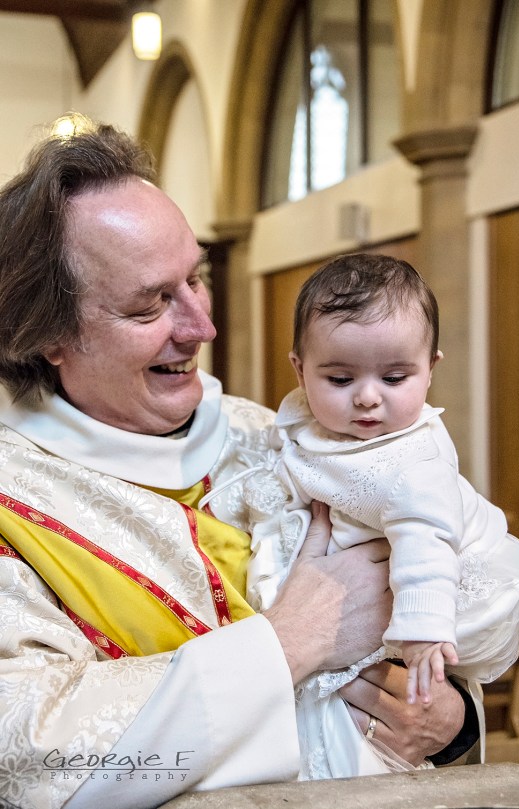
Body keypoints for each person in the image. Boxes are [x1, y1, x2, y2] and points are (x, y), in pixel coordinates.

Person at [0, 118, 473, 809]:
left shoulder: (285, 435)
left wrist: (451, 717)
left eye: (194, 279)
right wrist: (288, 643)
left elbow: (450, 575)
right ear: (49, 335)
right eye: (151, 304)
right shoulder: (15, 503)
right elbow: (25, 754)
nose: (202, 326)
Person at [225, 253, 519, 779]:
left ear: (431, 369)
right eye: (339, 378)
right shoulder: (304, 424)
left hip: (430, 591)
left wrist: (421, 626)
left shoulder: (415, 463)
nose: (368, 398)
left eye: (394, 377)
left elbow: (427, 540)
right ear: (300, 370)